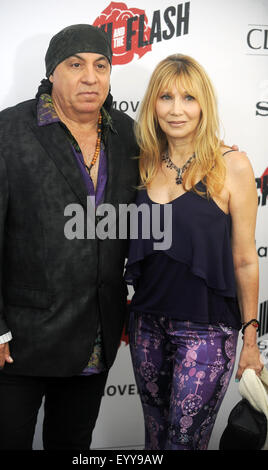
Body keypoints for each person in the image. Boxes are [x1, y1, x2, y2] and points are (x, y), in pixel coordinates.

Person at [0, 24, 139, 450]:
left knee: (74, 444)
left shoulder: (128, 133)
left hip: (95, 334)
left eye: (102, 65)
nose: (90, 77)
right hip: (19, 340)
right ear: (51, 73)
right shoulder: (2, 135)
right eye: (75, 64)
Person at [124, 54, 263, 450]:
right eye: (166, 97)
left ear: (204, 105)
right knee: (155, 438)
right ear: (153, 104)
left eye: (189, 98)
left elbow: (245, 259)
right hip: (147, 324)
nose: (176, 109)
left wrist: (250, 339)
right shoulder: (143, 162)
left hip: (206, 329)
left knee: (184, 443)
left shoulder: (231, 164)